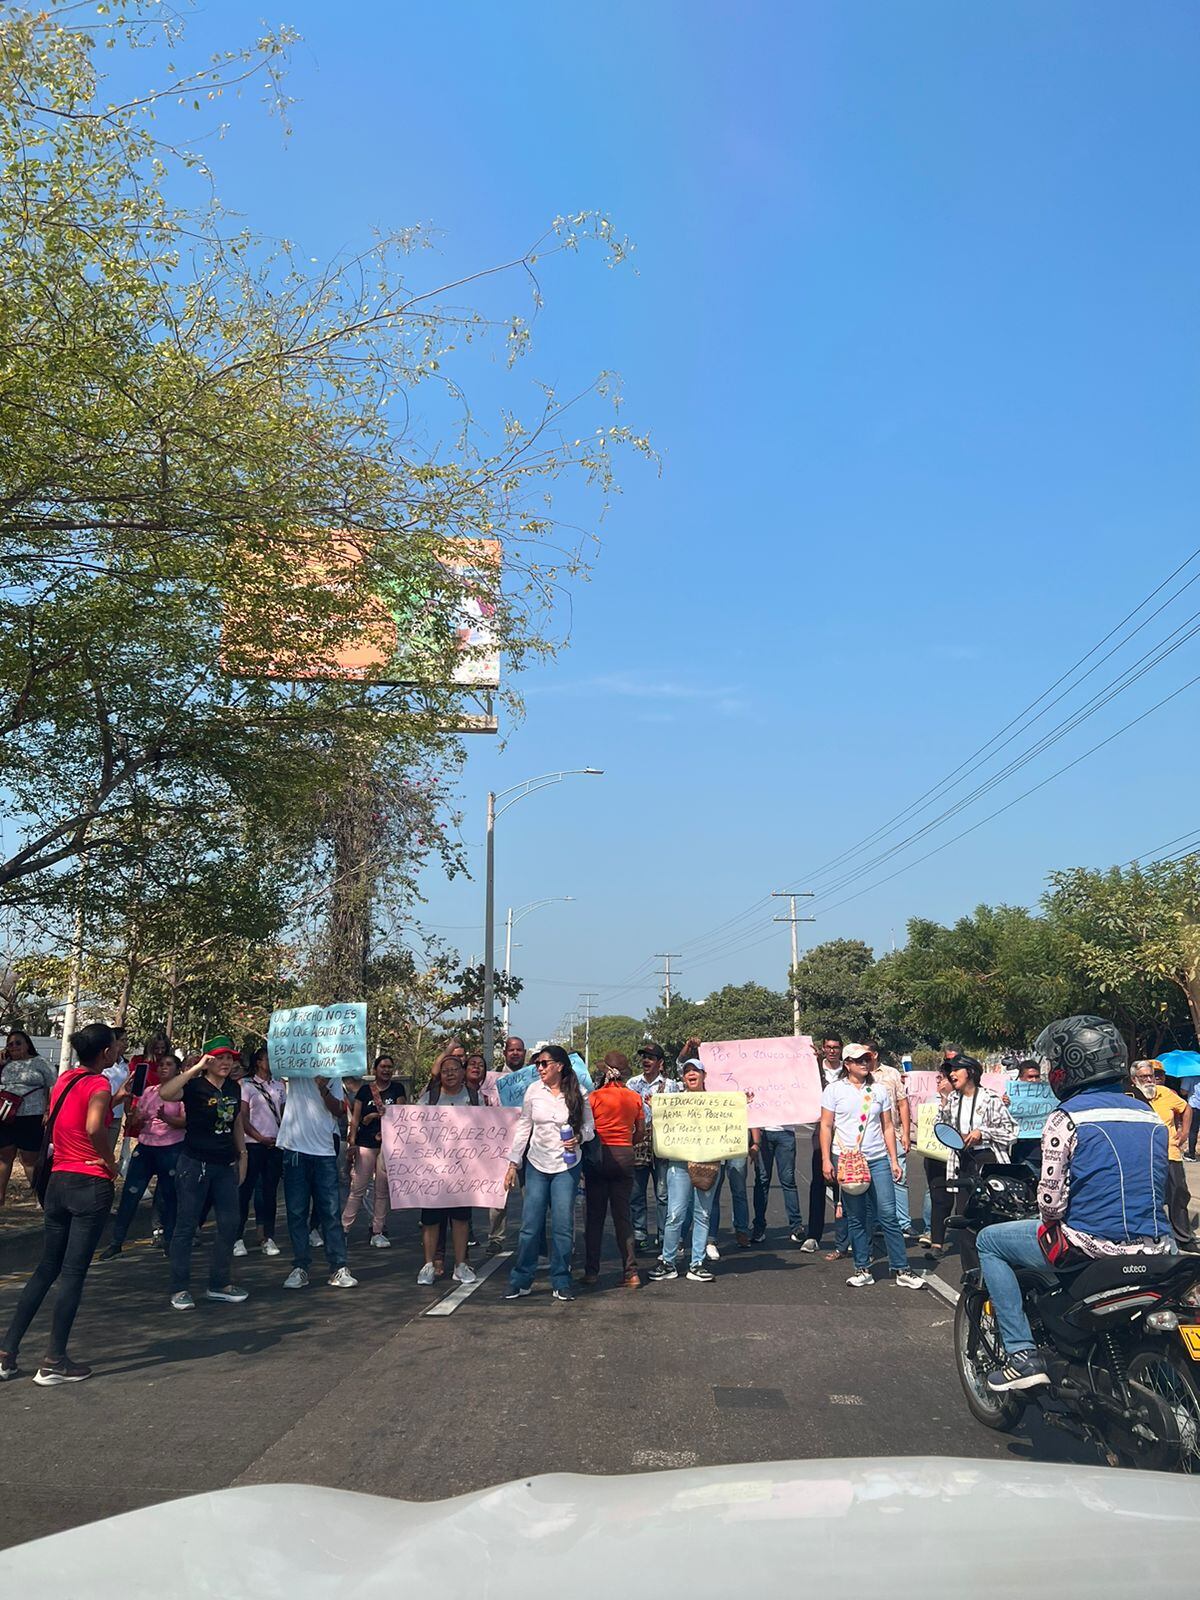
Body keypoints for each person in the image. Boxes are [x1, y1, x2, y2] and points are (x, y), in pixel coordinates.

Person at [978, 1016, 1172, 1393]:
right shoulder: (1148, 1114)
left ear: (1071, 1067)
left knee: (990, 1241)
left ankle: (1021, 1355)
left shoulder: (1067, 1117)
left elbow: (1051, 1203)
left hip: (1091, 1244)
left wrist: (1048, 1211)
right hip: (1158, 1245)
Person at [0, 1023, 120, 1385]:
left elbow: (58, 1119)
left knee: (46, 1267)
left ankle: (7, 1352)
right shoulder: (99, 1083)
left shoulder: (67, 1078)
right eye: (115, 1046)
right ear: (104, 1053)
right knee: (73, 1273)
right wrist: (110, 1163)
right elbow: (95, 1125)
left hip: (57, 1182)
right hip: (89, 1183)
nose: (118, 1050)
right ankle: (54, 1360)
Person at [819, 1043, 926, 1290]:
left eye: (867, 1059)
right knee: (856, 1216)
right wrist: (826, 1159)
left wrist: (894, 1159)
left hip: (877, 1158)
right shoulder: (834, 1091)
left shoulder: (878, 1090)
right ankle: (862, 1268)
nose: (864, 1063)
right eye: (858, 1060)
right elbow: (825, 1126)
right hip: (847, 1159)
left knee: (888, 1214)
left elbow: (887, 1126)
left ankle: (901, 1268)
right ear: (847, 1064)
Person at [158, 1036, 249, 1310]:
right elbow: (166, 1093)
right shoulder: (195, 1085)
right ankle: (179, 1287)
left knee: (229, 1223)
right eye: (219, 1057)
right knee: (187, 1226)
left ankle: (219, 1283)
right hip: (195, 1164)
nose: (225, 1063)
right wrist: (194, 1068)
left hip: (224, 1165)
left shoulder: (234, 1088)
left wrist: (242, 1155)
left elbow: (236, 1123)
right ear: (208, 1059)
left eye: (229, 1058)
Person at [504, 1045, 594, 1302]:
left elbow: (590, 1128)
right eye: (537, 1064)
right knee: (530, 1225)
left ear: (559, 1065)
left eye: (544, 1063)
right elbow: (524, 1126)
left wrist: (578, 1137)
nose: (539, 1068)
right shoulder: (533, 1091)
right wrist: (513, 1163)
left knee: (563, 1226)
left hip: (566, 1166)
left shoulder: (579, 1092)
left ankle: (561, 1280)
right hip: (537, 1164)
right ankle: (521, 1279)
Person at [277, 1070, 357, 1291]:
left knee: (330, 1212)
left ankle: (338, 1267)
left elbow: (340, 1111)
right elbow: (277, 1062)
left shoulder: (333, 1073)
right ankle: (300, 1267)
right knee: (296, 1212)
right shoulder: (293, 1068)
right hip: (295, 1148)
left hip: (324, 1151)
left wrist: (322, 1088)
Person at [98, 1064, 185, 1258]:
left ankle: (169, 1240)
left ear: (177, 1071)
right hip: (146, 1146)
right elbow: (136, 1119)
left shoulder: (181, 1094)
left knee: (169, 1196)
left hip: (171, 1147)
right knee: (130, 1195)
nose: (164, 1068)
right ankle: (116, 1242)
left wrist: (166, 1118)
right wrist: (135, 1118)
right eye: (162, 1065)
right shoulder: (149, 1091)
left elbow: (185, 1121)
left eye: (169, 1065)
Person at [649, 1056, 722, 1284]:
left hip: (707, 1164)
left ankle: (697, 1263)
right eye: (688, 1071)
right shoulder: (675, 1102)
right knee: (674, 1214)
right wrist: (655, 1107)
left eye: (696, 1071)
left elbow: (733, 1121)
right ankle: (668, 1261)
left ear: (704, 1076)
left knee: (703, 1214)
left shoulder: (718, 1102)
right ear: (683, 1077)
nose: (692, 1074)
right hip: (679, 1165)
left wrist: (744, 1103)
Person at [415, 1052, 481, 1286]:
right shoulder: (429, 1098)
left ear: (463, 1073)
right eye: (445, 1071)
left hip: (463, 1171)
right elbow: (412, 1126)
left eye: (454, 1069)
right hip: (433, 1171)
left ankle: (461, 1265)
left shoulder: (474, 1097)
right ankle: (428, 1265)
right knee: (431, 1220)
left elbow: (485, 1130)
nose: (450, 1074)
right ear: (439, 1075)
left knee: (461, 1219)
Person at [582, 1051, 644, 1288]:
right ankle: (631, 1272)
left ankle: (591, 1272)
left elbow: (587, 1131)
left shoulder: (595, 1097)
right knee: (623, 1217)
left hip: (599, 1157)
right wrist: (628, 1143)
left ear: (606, 1073)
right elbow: (640, 1132)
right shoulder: (634, 1097)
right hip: (625, 1155)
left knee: (595, 1218)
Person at [343, 1054, 406, 1248]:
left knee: (381, 1190)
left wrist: (382, 1116)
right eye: (383, 1066)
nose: (386, 1070)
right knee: (358, 1188)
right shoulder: (364, 1091)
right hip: (365, 1144)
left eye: (389, 1067)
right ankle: (343, 1228)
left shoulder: (397, 1089)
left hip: (387, 1144)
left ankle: (377, 1230)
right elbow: (355, 1118)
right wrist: (352, 1142)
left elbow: (401, 1115)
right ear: (375, 1070)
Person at [937, 1053, 1017, 1203]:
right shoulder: (952, 1100)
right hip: (962, 1162)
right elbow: (940, 1128)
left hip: (988, 1160)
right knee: (964, 1211)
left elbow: (1011, 1131)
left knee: (990, 1211)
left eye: (956, 1070)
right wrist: (943, 1100)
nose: (952, 1074)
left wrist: (983, 1133)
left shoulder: (990, 1099)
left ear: (970, 1072)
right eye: (950, 1071)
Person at [1131, 1060, 1195, 1248]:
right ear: (1135, 1079)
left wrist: (1184, 1134)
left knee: (1178, 1194)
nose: (1150, 1080)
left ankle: (1183, 1238)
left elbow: (1186, 1109)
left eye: (1152, 1076)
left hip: (1169, 1153)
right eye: (1144, 1077)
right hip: (1142, 1156)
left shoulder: (1165, 1093)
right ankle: (1148, 1237)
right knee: (1146, 1196)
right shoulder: (1129, 1096)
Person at [627, 1042, 678, 1252]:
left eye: (650, 1057)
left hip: (662, 1143)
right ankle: (639, 1234)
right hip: (639, 1142)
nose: (646, 1060)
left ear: (660, 1063)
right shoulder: (632, 1084)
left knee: (663, 1193)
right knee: (637, 1192)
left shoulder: (671, 1086)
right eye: (644, 1057)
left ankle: (664, 1234)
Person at [237, 1047, 286, 1257]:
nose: (271, 1062)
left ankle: (267, 1236)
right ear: (258, 1062)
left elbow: (284, 1114)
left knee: (269, 1192)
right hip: (253, 1143)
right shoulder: (246, 1085)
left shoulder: (279, 1085)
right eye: (268, 1059)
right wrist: (259, 1137)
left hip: (274, 1144)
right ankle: (237, 1237)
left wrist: (281, 1137)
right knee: (245, 1190)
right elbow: (243, 1117)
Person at [0, 1029, 56, 1206]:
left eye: (18, 1043)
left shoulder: (39, 1062)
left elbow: (53, 1086)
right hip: (6, 1116)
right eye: (10, 1044)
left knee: (29, 1159)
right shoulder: (4, 1064)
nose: (14, 1047)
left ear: (27, 1044)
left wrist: (49, 1110)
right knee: (4, 1156)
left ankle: (41, 1196)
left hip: (32, 1116)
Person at [799, 1037, 842, 1253]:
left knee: (843, 1187)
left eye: (836, 1048)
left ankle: (845, 1236)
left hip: (846, 1136)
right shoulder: (813, 1071)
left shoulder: (847, 1072)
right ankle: (813, 1235)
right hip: (821, 1133)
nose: (832, 1051)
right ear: (823, 1049)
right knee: (818, 1183)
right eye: (829, 1047)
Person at [485, 1035, 528, 1254]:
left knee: (529, 1194)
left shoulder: (534, 1078)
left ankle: (531, 1238)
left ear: (525, 1053)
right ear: (505, 1053)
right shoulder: (491, 1080)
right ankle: (496, 1237)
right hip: (500, 1144)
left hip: (529, 1145)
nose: (515, 1053)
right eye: (511, 1050)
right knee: (498, 1193)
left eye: (519, 1050)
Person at [750, 1090, 804, 1247]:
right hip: (763, 1132)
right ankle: (759, 1227)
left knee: (788, 1181)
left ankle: (796, 1226)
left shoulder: (786, 1071)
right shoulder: (757, 1076)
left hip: (785, 1132)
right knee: (762, 1181)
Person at [873, 1052, 914, 1237]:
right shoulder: (854, 1078)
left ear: (874, 1054)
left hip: (893, 1133)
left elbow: (903, 1103)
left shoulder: (891, 1074)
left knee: (899, 1177)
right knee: (869, 1181)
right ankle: (875, 1222)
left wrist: (905, 1133)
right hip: (869, 1139)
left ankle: (903, 1222)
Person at [919, 1064, 954, 1259]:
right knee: (939, 1199)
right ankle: (937, 1242)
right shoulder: (931, 1100)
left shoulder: (964, 1100)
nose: (939, 1081)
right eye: (938, 1078)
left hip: (957, 1158)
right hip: (935, 1156)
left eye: (944, 1078)